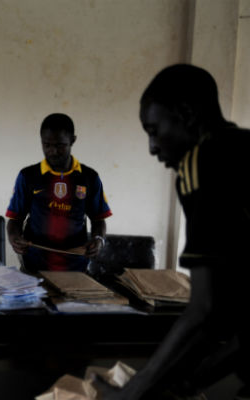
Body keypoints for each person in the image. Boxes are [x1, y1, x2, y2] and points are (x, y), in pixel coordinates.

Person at [98, 64, 250, 399]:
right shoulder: (242, 146)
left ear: (187, 114)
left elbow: (205, 311)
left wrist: (135, 389)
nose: (152, 148)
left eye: (154, 130)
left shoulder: (202, 161)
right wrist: (190, 379)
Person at [6, 113, 112, 273]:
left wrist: (98, 239)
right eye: (47, 145)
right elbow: (15, 219)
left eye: (60, 145)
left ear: (73, 140)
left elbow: (98, 220)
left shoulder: (89, 177)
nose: (53, 151)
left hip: (76, 265)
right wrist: (14, 238)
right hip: (34, 265)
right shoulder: (28, 175)